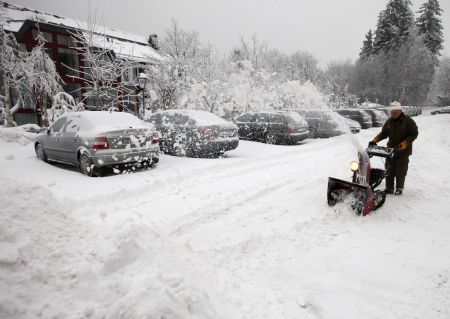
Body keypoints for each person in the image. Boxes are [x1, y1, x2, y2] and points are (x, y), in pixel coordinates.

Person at [368, 101, 418, 195]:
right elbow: (384, 133)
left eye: (395, 112)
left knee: (400, 171)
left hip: (403, 151)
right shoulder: (389, 121)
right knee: (389, 171)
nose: (393, 114)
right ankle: (389, 188)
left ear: (400, 111)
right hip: (390, 151)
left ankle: (399, 188)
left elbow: (414, 133)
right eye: (392, 112)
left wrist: (404, 144)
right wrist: (374, 141)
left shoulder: (408, 121)